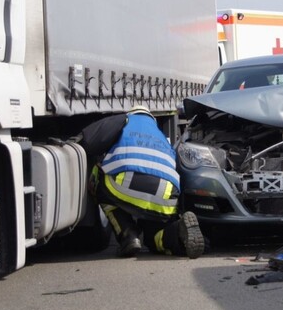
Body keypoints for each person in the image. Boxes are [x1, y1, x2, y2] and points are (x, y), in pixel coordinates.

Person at [77, 106, 205, 259]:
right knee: (154, 239)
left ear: (132, 113)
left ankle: (128, 236)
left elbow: (90, 141)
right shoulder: (160, 136)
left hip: (126, 187)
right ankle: (178, 232)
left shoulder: (125, 120)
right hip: (166, 198)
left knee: (99, 178)